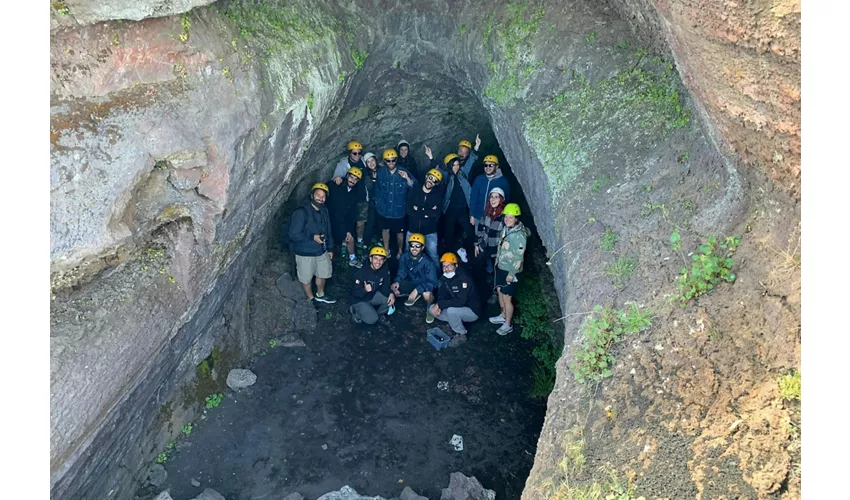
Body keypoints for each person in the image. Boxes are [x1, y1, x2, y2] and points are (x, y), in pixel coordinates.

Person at [288, 183, 336, 304]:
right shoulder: (301, 212)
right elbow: (294, 234)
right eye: (318, 195)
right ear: (312, 195)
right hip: (305, 253)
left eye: (323, 196)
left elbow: (328, 230)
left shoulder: (324, 210)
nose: (321, 198)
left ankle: (320, 294)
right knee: (306, 278)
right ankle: (310, 298)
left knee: (324, 272)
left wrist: (330, 248)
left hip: (321, 250)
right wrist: (312, 237)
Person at [489, 203, 529, 335]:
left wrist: (512, 274)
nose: (507, 219)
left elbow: (519, 257)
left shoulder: (519, 236)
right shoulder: (506, 229)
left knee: (507, 298)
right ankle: (503, 315)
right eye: (506, 217)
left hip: (510, 270)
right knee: (500, 291)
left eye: (510, 217)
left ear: (516, 218)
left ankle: (508, 324)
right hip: (501, 266)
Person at [429, 252, 481, 347]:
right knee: (432, 309)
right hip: (456, 308)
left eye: (449, 266)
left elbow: (461, 301)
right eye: (444, 266)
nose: (446, 269)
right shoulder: (444, 278)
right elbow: (441, 295)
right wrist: (439, 305)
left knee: (451, 311)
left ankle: (462, 334)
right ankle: (454, 323)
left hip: (472, 311)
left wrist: (441, 304)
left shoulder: (464, 278)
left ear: (456, 266)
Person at [374, 148, 416, 258]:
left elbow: (414, 186)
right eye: (388, 160)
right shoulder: (381, 173)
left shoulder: (403, 171)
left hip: (399, 210)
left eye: (393, 160)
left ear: (396, 160)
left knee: (400, 232)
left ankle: (400, 251)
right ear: (384, 161)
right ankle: (386, 250)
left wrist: (406, 178)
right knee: (385, 229)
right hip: (385, 209)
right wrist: (379, 204)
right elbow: (377, 190)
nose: (391, 163)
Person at [391, 233, 439, 323]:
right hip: (411, 282)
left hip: (424, 285)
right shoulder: (405, 257)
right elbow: (402, 271)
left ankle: (429, 309)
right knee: (394, 289)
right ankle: (415, 295)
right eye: (412, 245)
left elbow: (433, 283)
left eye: (418, 246)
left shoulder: (428, 262)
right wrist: (397, 281)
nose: (414, 248)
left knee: (427, 294)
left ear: (422, 247)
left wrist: (417, 289)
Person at [328, 167, 364, 268]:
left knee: (350, 238)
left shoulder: (354, 193)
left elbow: (351, 214)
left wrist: (348, 230)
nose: (352, 180)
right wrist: (335, 180)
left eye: (356, 179)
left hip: (341, 222)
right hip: (329, 219)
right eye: (351, 177)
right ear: (347, 176)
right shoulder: (336, 185)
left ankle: (352, 258)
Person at [405, 168, 443, 265]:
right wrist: (427, 212)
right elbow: (409, 209)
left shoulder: (437, 195)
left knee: (433, 255)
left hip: (429, 231)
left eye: (435, 181)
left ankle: (438, 277)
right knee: (407, 254)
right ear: (426, 177)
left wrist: (418, 209)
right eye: (430, 178)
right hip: (413, 229)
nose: (431, 181)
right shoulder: (415, 189)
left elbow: (436, 214)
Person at [473, 187, 506, 293]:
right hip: (485, 244)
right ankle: (477, 287)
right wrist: (477, 244)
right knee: (477, 264)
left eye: (496, 197)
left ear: (501, 199)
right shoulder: (487, 211)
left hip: (497, 249)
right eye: (491, 197)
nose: (493, 200)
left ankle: (495, 292)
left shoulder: (505, 216)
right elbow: (481, 228)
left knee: (497, 273)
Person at [350, 246, 395, 325]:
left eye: (381, 259)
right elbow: (354, 293)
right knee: (372, 320)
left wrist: (391, 293)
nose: (378, 262)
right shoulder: (361, 273)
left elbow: (386, 286)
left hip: (372, 296)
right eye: (376, 258)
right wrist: (365, 290)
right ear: (370, 259)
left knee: (389, 299)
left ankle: (379, 314)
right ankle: (356, 313)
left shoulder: (384, 271)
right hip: (359, 300)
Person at [469, 155, 511, 231]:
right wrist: (472, 214)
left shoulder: (503, 181)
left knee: (493, 239)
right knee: (479, 237)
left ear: (497, 166)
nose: (488, 167)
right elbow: (473, 197)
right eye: (486, 165)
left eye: (491, 165)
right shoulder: (479, 179)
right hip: (479, 216)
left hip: (495, 218)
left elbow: (506, 200)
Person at [356, 152, 379, 249]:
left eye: (372, 160)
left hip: (382, 201)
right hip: (371, 201)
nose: (371, 163)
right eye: (368, 162)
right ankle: (365, 242)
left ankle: (378, 239)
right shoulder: (365, 175)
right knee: (369, 221)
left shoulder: (382, 171)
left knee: (380, 221)